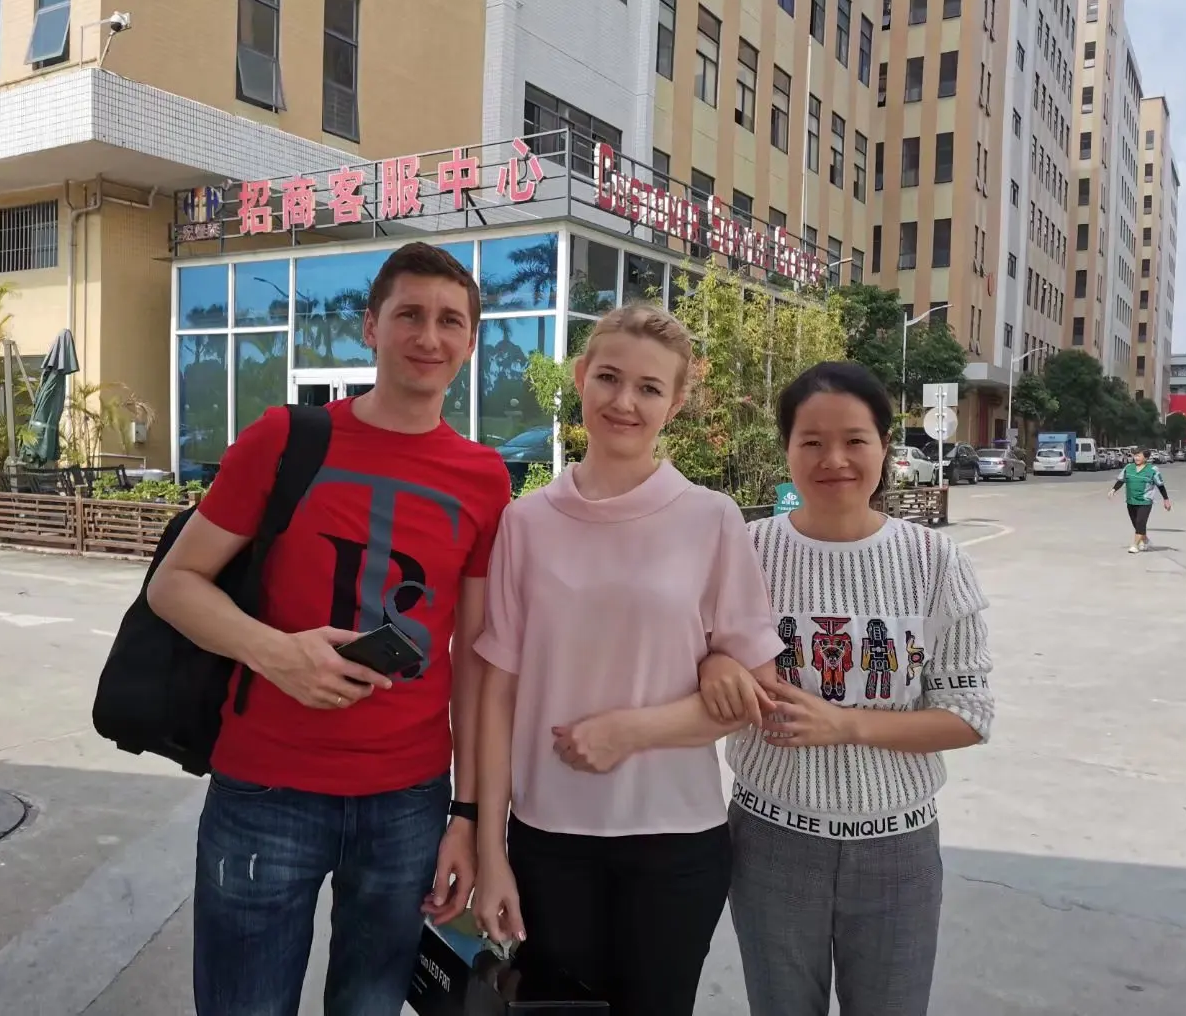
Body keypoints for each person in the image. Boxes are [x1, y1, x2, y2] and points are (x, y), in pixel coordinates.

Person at [147, 242, 513, 1016]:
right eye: (409, 314)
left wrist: (467, 818)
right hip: (266, 790)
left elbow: (476, 665)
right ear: (370, 327)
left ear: (471, 342)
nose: (429, 336)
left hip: (408, 800)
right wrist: (276, 653)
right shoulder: (284, 439)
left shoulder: (484, 479)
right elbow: (174, 585)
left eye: (450, 321)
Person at [471, 304, 783, 1016]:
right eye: (608, 377)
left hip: (676, 840)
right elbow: (498, 697)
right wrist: (492, 853)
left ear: (676, 402)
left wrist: (629, 731)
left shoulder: (711, 518)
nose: (624, 401)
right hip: (548, 838)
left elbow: (755, 693)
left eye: (649, 388)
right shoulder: (526, 522)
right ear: (581, 377)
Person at [699, 361, 995, 1016]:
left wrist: (847, 724)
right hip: (770, 843)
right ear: (787, 449)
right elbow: (690, 652)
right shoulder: (743, 551)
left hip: (898, 850)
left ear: (885, 446)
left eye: (855, 440)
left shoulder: (936, 562)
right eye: (812, 441)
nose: (834, 460)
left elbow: (968, 714)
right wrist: (712, 664)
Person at [1110, 447, 1171, 553]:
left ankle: (1135, 545)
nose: (1136, 458)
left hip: (1145, 501)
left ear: (1146, 458)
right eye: (1135, 455)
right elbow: (1121, 480)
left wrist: (1166, 499)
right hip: (1131, 500)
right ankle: (1144, 540)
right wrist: (1113, 490)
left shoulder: (1152, 470)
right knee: (1136, 524)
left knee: (1140, 522)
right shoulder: (1128, 468)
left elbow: (1160, 485)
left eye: (1139, 456)